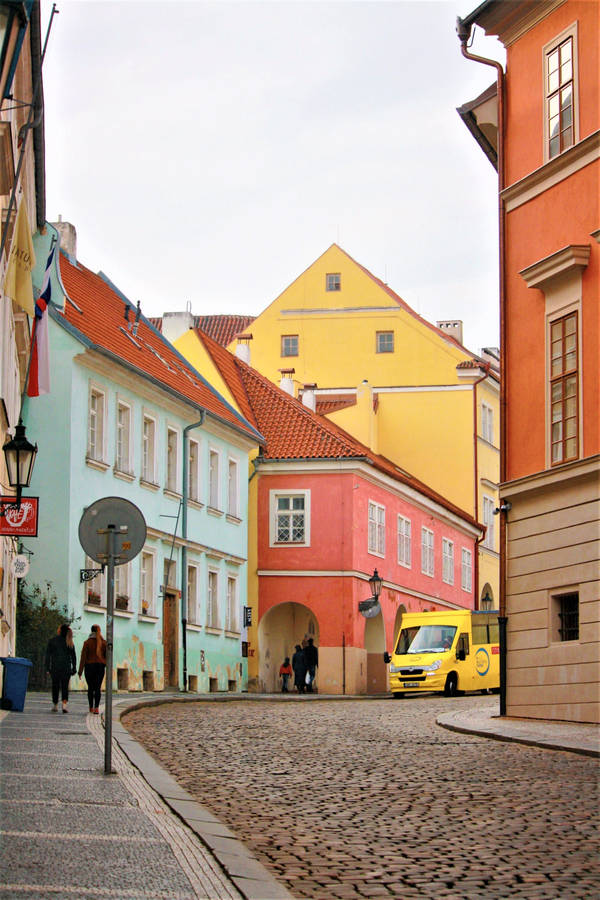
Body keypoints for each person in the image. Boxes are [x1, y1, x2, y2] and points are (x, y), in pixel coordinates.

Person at [45, 623, 77, 713]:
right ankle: (64, 705)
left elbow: (48, 655)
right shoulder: (69, 642)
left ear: (59, 630)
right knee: (65, 687)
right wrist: (74, 668)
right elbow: (73, 656)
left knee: (55, 686)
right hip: (66, 668)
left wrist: (47, 667)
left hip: (55, 668)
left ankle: (55, 705)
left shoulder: (52, 641)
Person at [78, 624, 107, 714]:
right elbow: (107, 656)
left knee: (91, 688)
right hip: (100, 667)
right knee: (97, 688)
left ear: (91, 631)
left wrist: (80, 671)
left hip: (89, 667)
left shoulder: (87, 643)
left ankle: (91, 707)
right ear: (99, 631)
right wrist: (104, 663)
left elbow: (83, 657)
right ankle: (96, 708)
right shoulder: (104, 643)